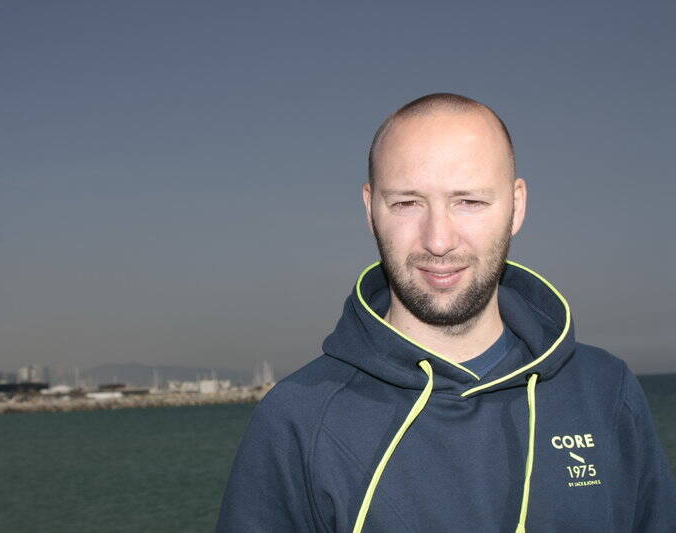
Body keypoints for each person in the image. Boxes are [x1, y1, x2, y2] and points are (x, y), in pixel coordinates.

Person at [216, 93, 676, 532]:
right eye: (406, 203)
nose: (438, 240)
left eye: (469, 201)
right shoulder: (298, 419)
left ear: (516, 206)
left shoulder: (605, 391)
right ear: (371, 209)